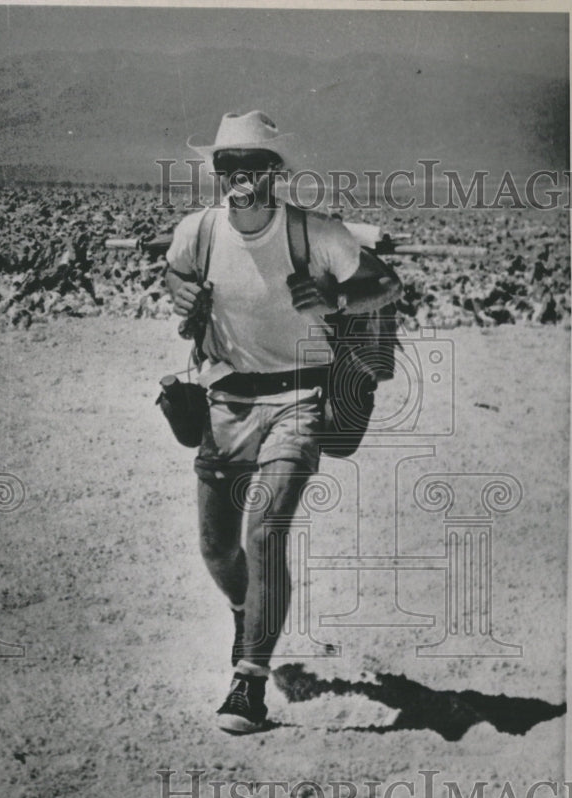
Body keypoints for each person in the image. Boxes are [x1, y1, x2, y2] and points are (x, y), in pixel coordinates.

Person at [165, 110, 401, 734]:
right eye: (226, 166)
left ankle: (249, 682)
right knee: (217, 550)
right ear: (216, 174)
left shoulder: (314, 234)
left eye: (251, 166)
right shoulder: (199, 232)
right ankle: (250, 612)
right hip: (225, 403)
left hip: (300, 399)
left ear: (274, 173)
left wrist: (337, 300)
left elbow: (385, 282)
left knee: (265, 533)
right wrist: (180, 294)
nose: (237, 177)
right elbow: (177, 275)